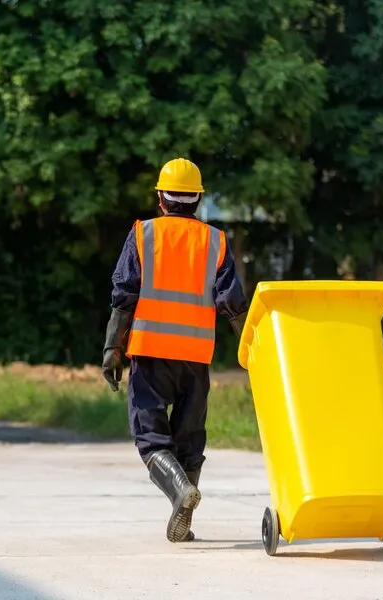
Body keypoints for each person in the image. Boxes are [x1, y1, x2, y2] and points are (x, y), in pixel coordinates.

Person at [101, 157, 250, 543]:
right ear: (197, 200)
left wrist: (112, 349)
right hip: (196, 358)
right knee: (189, 439)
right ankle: (184, 516)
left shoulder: (143, 234)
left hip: (150, 354)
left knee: (151, 438)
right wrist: (254, 350)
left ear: (161, 199)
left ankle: (180, 494)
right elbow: (232, 302)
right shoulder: (215, 241)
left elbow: (124, 296)